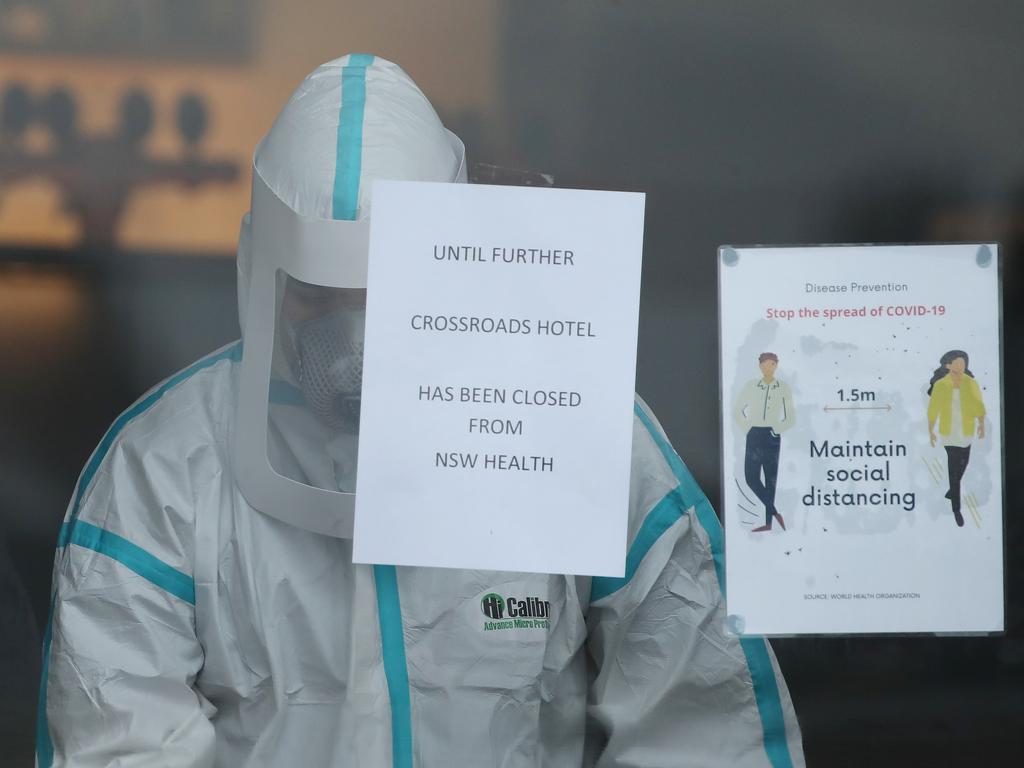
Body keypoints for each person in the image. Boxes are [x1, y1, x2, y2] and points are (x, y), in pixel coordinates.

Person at [37, 55, 804, 767]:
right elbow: (121, 742)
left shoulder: (575, 430)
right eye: (317, 295)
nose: (353, 341)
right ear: (259, 270)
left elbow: (703, 726)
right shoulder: (164, 472)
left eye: (386, 291)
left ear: (458, 257)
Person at [733, 352, 796, 532]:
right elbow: (738, 410)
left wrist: (776, 430)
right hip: (754, 434)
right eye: (765, 364)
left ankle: (769, 523)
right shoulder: (751, 386)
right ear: (760, 366)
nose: (769, 367)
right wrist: (750, 428)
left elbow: (790, 417)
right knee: (751, 477)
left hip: (772, 435)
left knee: (771, 479)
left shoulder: (783, 387)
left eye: (772, 364)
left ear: (776, 365)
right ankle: (776, 513)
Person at [926, 349, 986, 527]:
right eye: (958, 363)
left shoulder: (970, 383)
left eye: (964, 362)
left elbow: (978, 404)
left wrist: (981, 424)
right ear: (948, 365)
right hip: (949, 432)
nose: (962, 365)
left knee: (963, 464)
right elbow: (933, 408)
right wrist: (931, 431)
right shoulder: (941, 385)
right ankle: (956, 509)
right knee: (954, 470)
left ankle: (953, 490)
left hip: (966, 430)